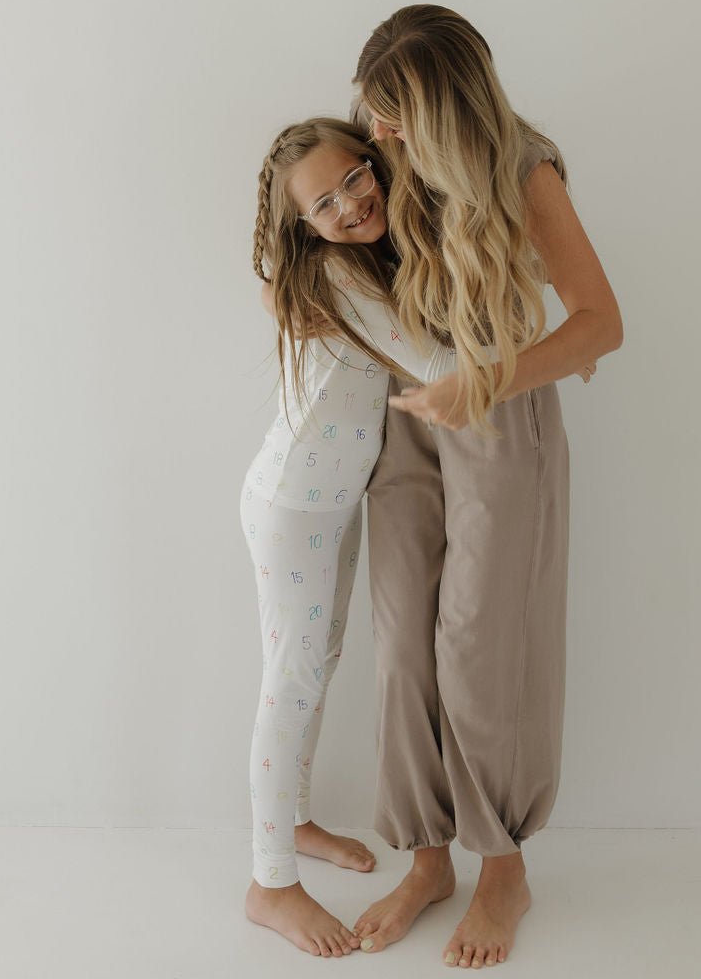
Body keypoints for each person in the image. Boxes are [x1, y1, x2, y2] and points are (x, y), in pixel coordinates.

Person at [346, 4, 623, 969]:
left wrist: (487, 382)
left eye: (393, 111)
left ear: (442, 106)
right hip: (406, 414)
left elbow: (600, 322)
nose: (378, 130)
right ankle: (427, 862)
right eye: (372, 110)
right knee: (400, 645)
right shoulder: (383, 158)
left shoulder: (523, 169)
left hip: (500, 416)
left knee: (476, 649)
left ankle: (504, 867)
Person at [243, 116, 451, 958]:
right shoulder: (337, 273)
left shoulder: (360, 262)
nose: (349, 205)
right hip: (295, 503)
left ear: (375, 161)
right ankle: (270, 882)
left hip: (331, 502)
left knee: (315, 663)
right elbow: (435, 366)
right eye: (323, 204)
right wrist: (544, 352)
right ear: (304, 226)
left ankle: (295, 821)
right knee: (292, 676)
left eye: (355, 179)